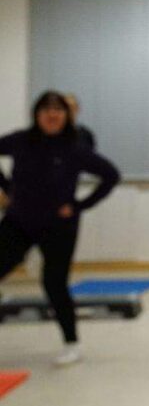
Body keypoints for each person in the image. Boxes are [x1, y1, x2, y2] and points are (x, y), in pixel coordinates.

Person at [0, 91, 120, 365]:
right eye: (46, 110)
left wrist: (80, 205)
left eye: (58, 111)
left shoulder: (75, 148)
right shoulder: (21, 140)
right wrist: (6, 187)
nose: (52, 115)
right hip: (19, 221)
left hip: (58, 226)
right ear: (37, 114)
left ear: (66, 116)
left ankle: (71, 343)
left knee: (54, 284)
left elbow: (111, 175)